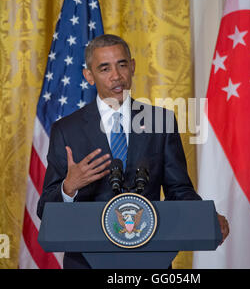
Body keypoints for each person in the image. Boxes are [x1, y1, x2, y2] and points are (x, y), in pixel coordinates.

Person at [37, 34, 229, 269]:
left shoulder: (161, 121)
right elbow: (44, 209)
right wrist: (69, 187)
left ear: (133, 66)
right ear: (89, 76)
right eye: (104, 68)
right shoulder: (66, 130)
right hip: (85, 263)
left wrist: (205, 218)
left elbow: (179, 189)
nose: (116, 76)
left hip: (150, 259)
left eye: (122, 64)